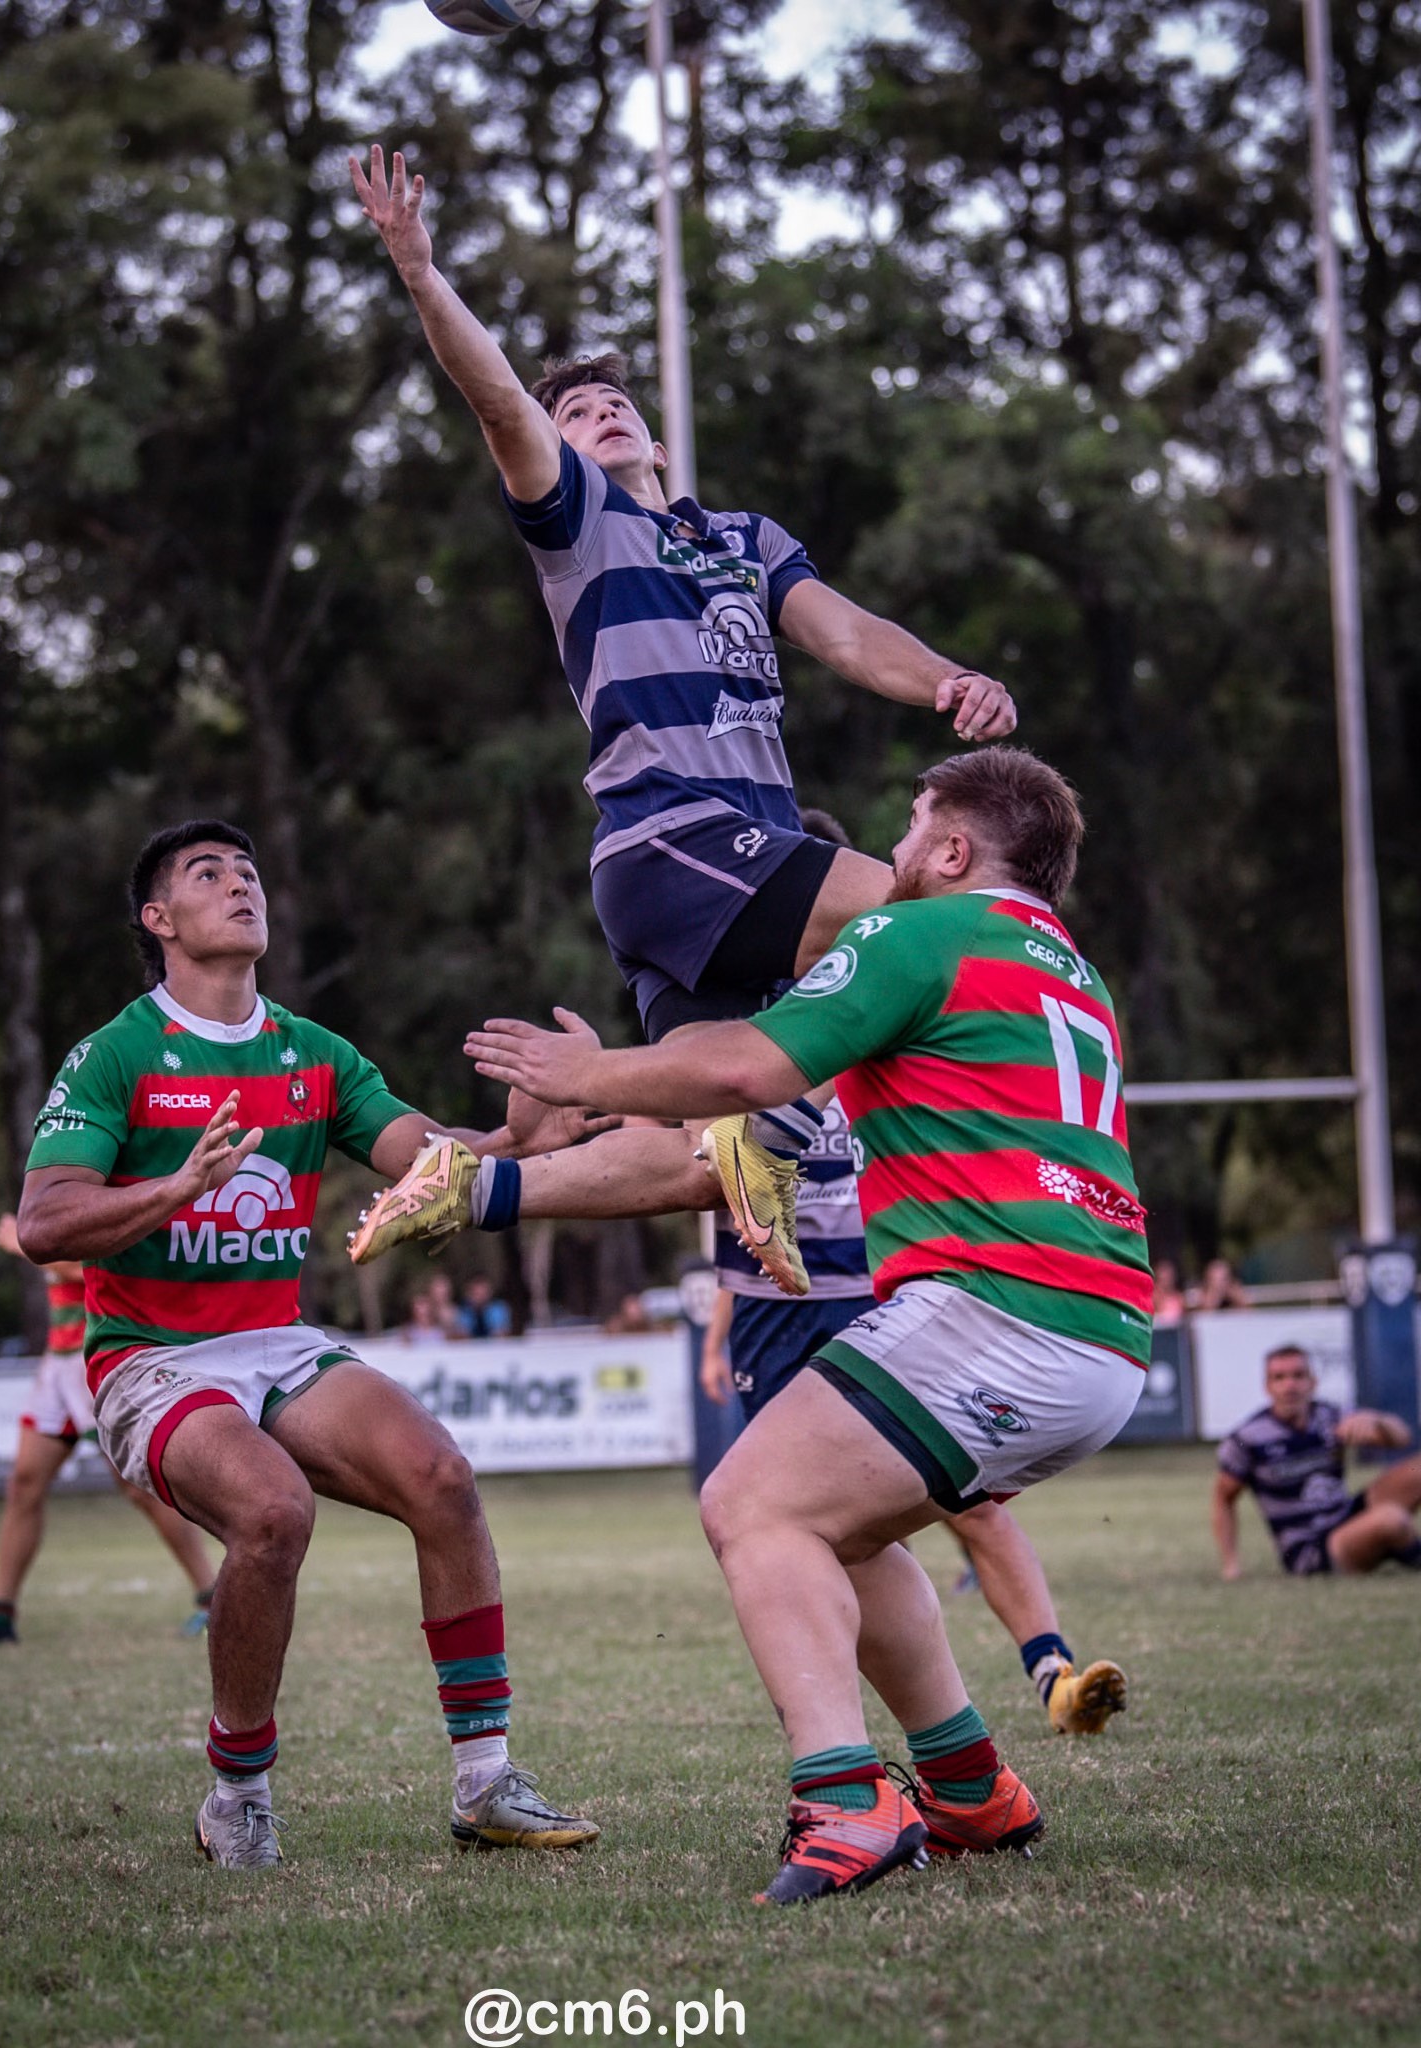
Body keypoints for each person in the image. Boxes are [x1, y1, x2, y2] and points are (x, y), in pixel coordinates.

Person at [462, 747, 1153, 1902]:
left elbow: (743, 1064)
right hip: (1100, 1329)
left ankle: (846, 1798)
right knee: (844, 1527)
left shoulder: (915, 932)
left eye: (909, 825)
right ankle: (969, 1782)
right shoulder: (1067, 968)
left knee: (751, 1503)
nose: (882, 855)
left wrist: (583, 1070)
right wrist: (606, 1096)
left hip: (998, 1313)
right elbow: (746, 1104)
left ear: (950, 850)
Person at [350, 143, 1017, 1293]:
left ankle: (477, 1178)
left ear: (658, 441)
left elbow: (850, 637)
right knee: (920, 919)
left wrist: (948, 681)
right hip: (677, 833)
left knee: (700, 1138)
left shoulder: (744, 542)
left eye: (615, 402)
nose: (595, 411)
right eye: (575, 412)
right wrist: (418, 269)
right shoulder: (580, 524)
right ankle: (761, 1119)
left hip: (715, 870)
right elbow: (500, 396)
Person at [14, 819, 598, 1869]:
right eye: (208, 874)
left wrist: (515, 1141)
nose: (241, 884)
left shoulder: (312, 1052)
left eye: (248, 870)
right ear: (160, 920)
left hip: (275, 1339)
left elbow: (427, 1160)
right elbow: (46, 1222)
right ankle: (236, 1792)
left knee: (443, 1475)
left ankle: (485, 1781)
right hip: (149, 1356)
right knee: (273, 1509)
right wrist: (173, 1189)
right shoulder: (115, 1055)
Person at [697, 1097, 1128, 1741]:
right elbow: (716, 1182)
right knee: (813, 1528)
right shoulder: (733, 1043)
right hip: (775, 1306)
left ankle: (1051, 1677)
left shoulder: (869, 1017)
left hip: (883, 1297)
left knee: (971, 1508)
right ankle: (850, 1725)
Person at [0, 1214, 219, 1647]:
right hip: (60, 1361)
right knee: (24, 1483)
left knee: (138, 1487)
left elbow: (99, 1268)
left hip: (96, 1357)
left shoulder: (102, 1198)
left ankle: (213, 1598)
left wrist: (23, 1245)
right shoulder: (59, 1191)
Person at [1212, 1343, 1421, 1578]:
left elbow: (1402, 1439)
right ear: (1267, 1387)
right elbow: (1223, 1498)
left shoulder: (1330, 1416)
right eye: (1279, 1378)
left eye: (1298, 1376)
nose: (1290, 1386)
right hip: (1308, 1547)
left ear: (1313, 1382)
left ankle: (1391, 1542)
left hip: (1344, 1515)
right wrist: (1230, 1565)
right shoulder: (1245, 1438)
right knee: (1390, 1518)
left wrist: (1376, 1421)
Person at [456, 1274, 512, 1340]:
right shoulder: (463, 1311)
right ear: (468, 1294)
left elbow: (501, 1335)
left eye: (483, 1293)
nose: (480, 1297)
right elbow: (462, 1337)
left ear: (490, 1292)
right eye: (476, 1293)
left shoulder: (499, 1309)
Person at [1150, 1258, 1185, 1325]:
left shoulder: (1178, 1298)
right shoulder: (1154, 1296)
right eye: (1163, 1279)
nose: (1167, 1280)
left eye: (1169, 1277)